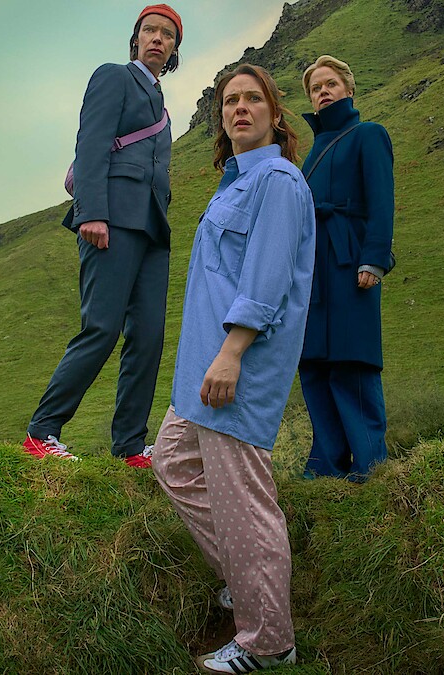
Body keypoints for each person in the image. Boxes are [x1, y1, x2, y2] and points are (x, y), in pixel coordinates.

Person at [151, 64, 313, 674]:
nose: (239, 108)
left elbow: (267, 281)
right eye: (229, 101)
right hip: (204, 366)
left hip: (235, 367)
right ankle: (247, 584)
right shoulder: (235, 182)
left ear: (275, 114)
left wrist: (232, 353)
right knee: (172, 460)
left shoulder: (278, 181)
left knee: (245, 501)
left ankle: (268, 643)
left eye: (252, 99)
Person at [22, 5, 182, 468]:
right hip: (109, 220)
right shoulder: (113, 76)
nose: (157, 38)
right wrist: (92, 212)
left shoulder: (163, 109)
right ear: (136, 40)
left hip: (152, 229)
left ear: (174, 49)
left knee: (149, 335)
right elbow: (90, 143)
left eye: (167, 35)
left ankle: (130, 446)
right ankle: (41, 432)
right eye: (149, 30)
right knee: (102, 328)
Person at [298, 55, 395, 482]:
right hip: (312, 269)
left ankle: (370, 464)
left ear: (349, 89)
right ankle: (326, 463)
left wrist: (373, 258)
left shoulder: (369, 135)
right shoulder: (312, 152)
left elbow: (381, 200)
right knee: (315, 361)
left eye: (330, 84)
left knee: (352, 360)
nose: (323, 92)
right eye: (316, 87)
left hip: (350, 258)